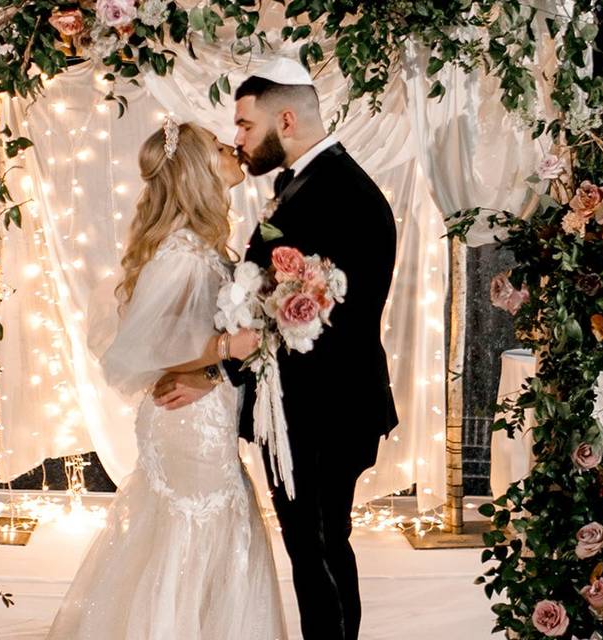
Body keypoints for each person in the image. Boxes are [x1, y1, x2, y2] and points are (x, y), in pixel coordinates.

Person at [153, 58, 398, 640]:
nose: (237, 140)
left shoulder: (339, 194)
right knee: (313, 550)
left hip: (326, 410)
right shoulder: (306, 183)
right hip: (302, 409)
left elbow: (314, 326)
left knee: (317, 550)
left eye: (244, 125)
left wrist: (215, 370)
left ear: (285, 119)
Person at [46, 121, 287, 640]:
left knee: (206, 532)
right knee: (189, 537)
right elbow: (141, 348)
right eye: (222, 149)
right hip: (188, 420)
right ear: (199, 169)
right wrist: (227, 349)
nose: (235, 153)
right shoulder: (183, 253)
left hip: (207, 414)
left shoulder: (200, 245)